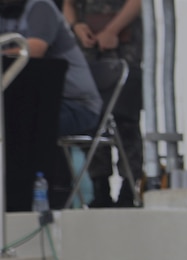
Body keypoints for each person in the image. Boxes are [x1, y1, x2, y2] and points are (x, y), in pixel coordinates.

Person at [62, 0, 141, 208]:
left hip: (123, 46)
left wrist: (112, 30)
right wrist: (76, 25)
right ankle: (100, 186)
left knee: (125, 119)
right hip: (88, 51)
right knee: (92, 118)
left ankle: (129, 188)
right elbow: (67, 4)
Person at [0, 0, 102, 136]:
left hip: (73, 104)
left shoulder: (40, 6)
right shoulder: (5, 10)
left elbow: (34, 50)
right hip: (30, 100)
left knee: (13, 124)